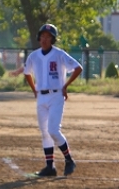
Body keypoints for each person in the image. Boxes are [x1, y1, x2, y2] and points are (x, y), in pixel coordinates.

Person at [23, 23, 83, 177]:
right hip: (41, 96)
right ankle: (50, 167)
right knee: (45, 132)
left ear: (53, 39)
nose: (44, 39)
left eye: (48, 37)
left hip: (56, 95)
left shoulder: (59, 54)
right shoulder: (34, 56)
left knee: (53, 130)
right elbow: (27, 72)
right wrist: (34, 89)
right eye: (42, 36)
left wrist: (66, 85)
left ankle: (69, 160)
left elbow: (78, 68)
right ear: (39, 38)